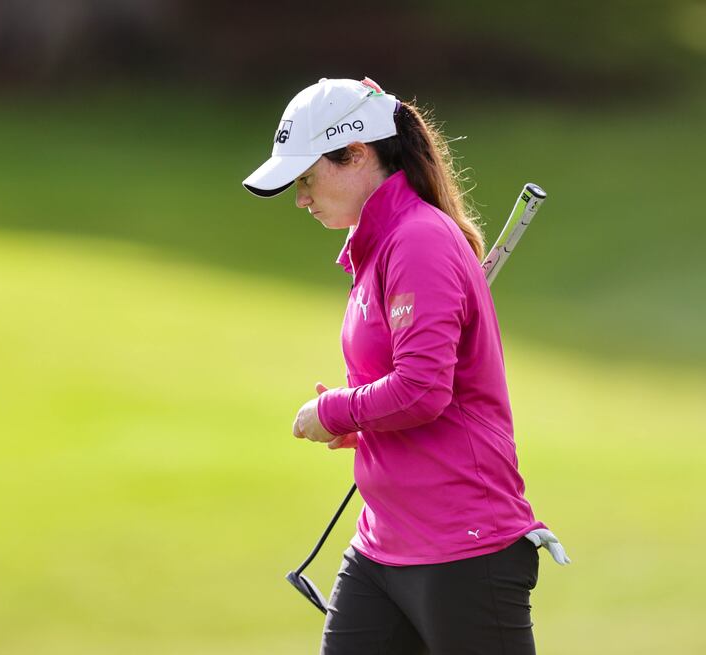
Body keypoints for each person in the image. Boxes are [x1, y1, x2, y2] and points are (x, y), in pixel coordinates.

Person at [241, 77, 569, 655]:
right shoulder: (379, 245)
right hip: (382, 545)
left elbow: (421, 391)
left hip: (463, 549)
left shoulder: (417, 239)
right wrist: (361, 422)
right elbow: (403, 392)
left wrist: (334, 410)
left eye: (307, 178)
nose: (301, 198)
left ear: (357, 153)